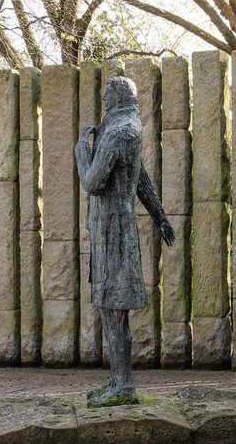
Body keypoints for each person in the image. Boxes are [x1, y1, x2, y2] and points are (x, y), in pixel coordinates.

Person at [74, 75, 175, 406]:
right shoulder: (129, 126)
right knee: (110, 308)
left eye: (107, 94)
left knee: (113, 308)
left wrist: (80, 150)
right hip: (113, 227)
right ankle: (118, 381)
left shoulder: (119, 131)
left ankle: (123, 386)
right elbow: (141, 176)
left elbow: (92, 182)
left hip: (112, 231)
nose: (103, 100)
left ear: (117, 96)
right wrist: (159, 216)